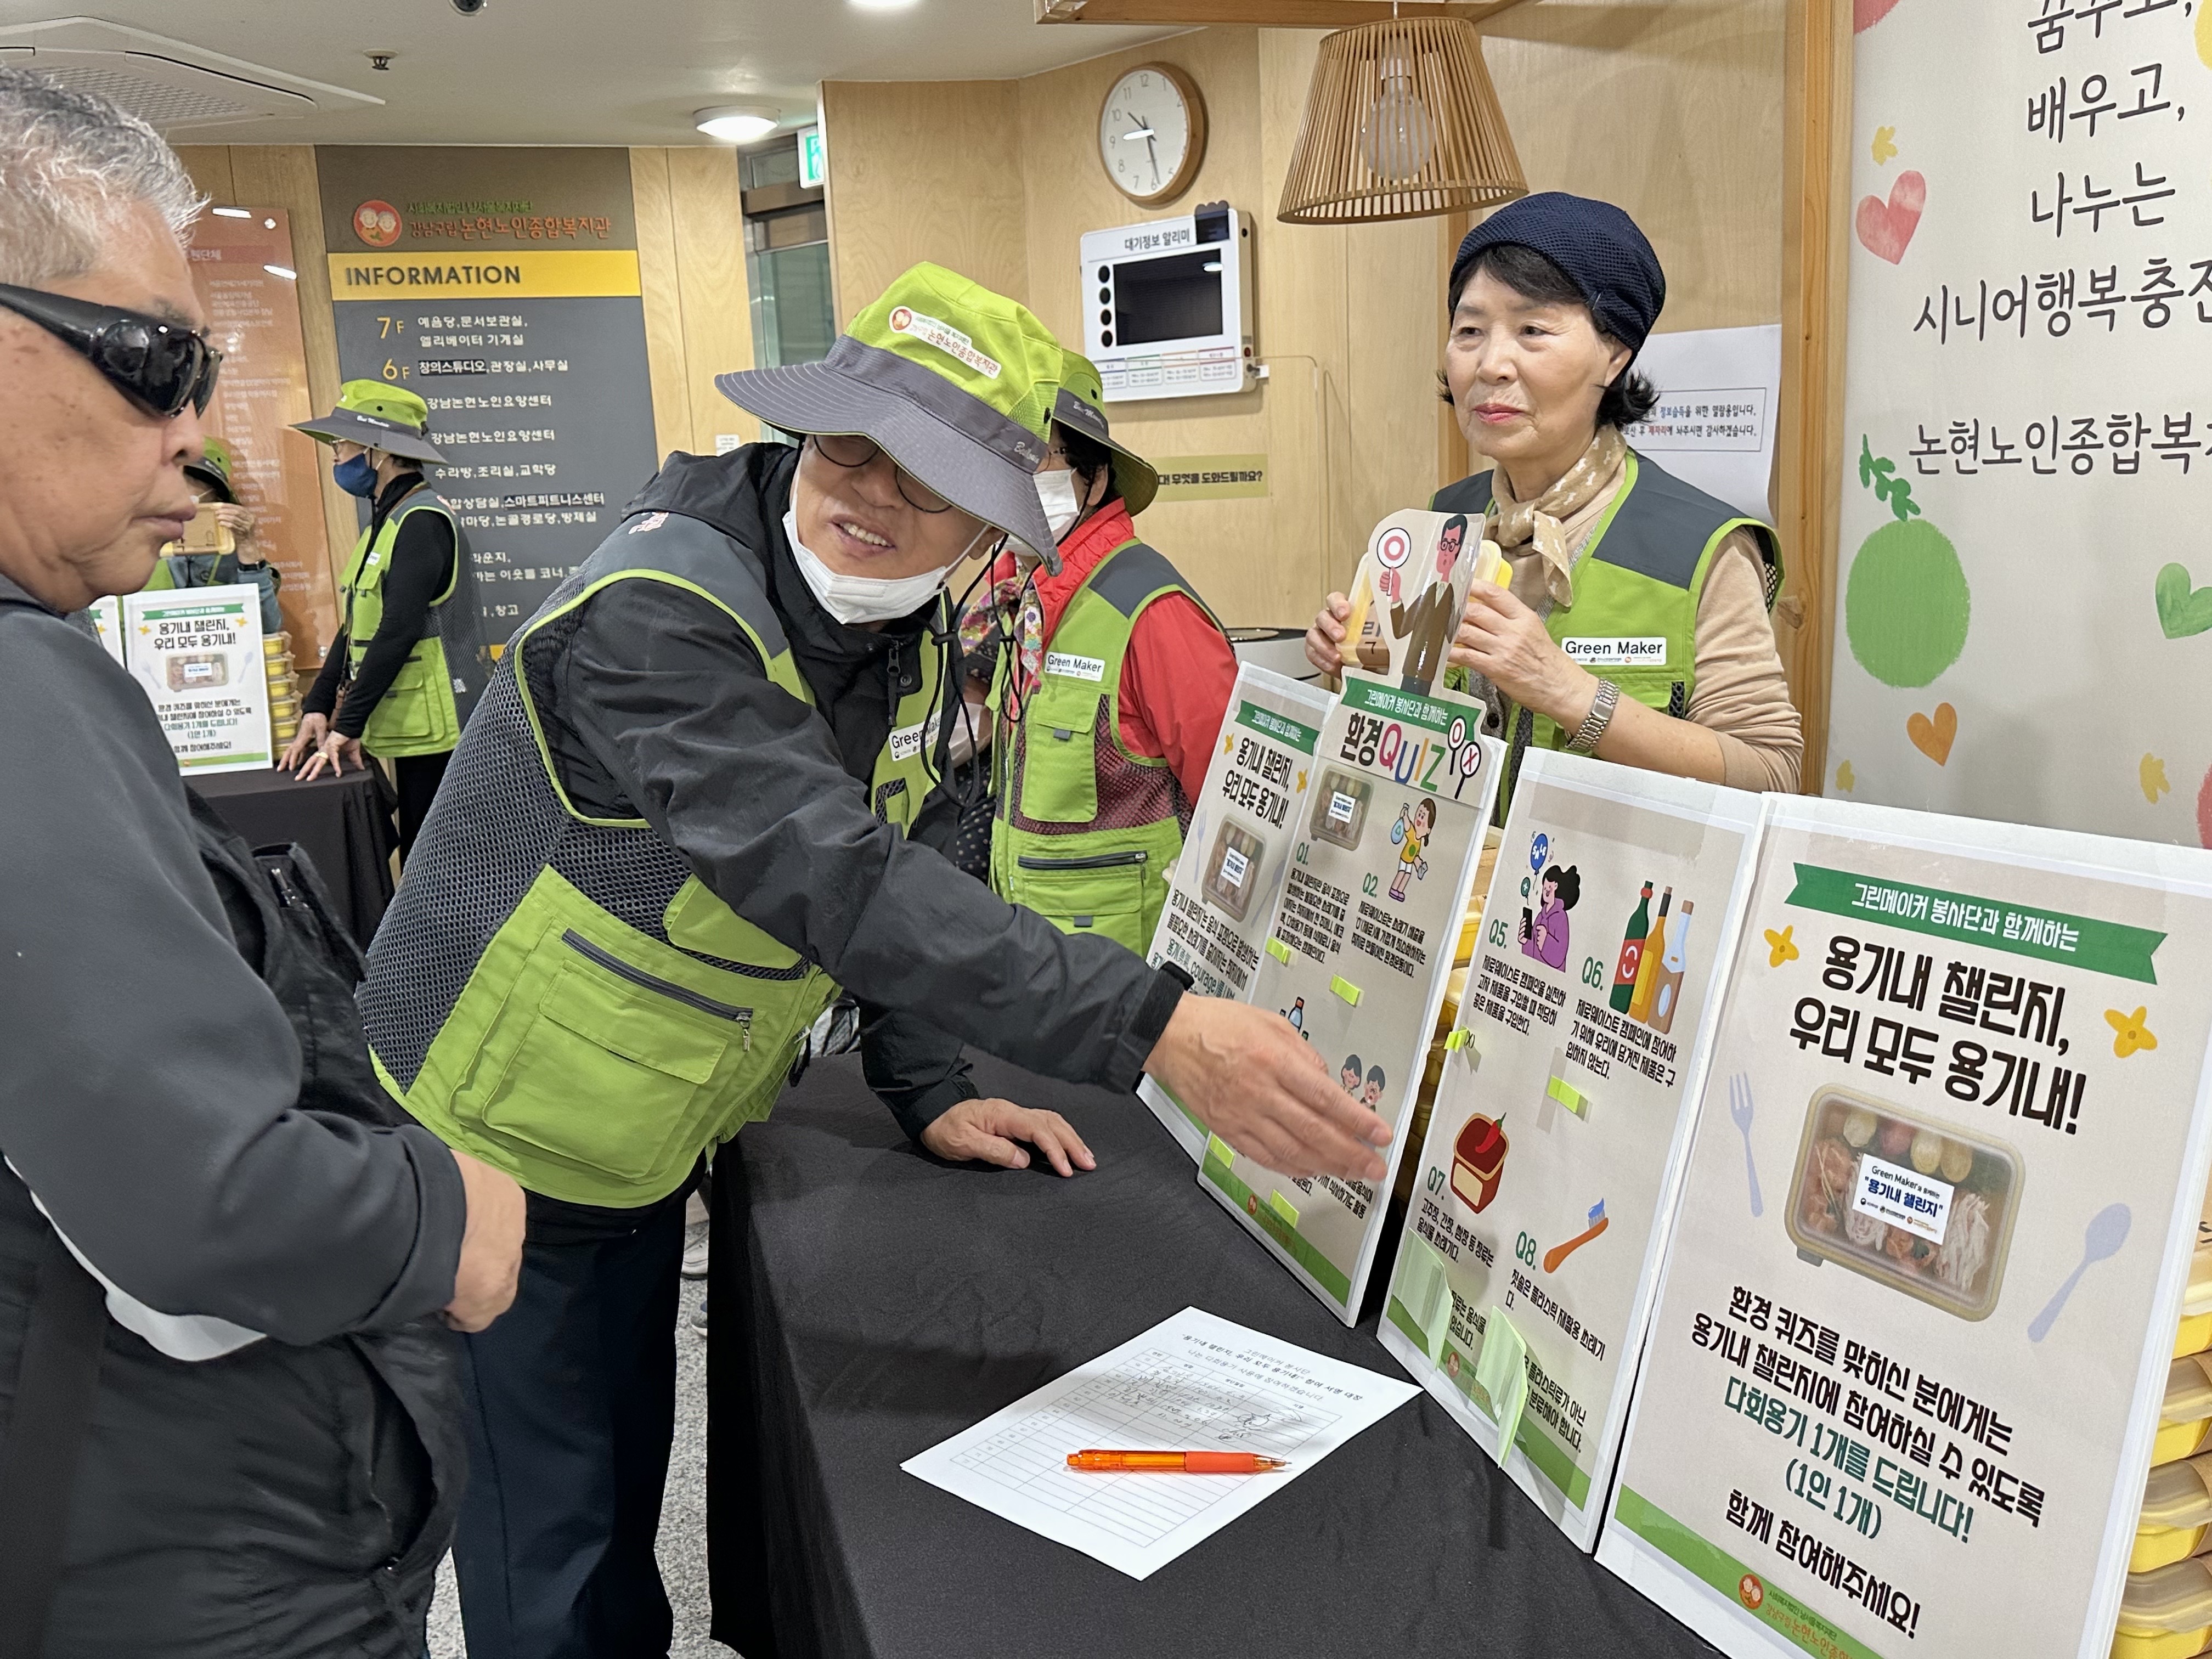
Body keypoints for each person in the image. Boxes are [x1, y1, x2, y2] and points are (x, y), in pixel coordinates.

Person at [357, 262, 1389, 1659]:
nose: (875, 496)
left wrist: (924, 1082)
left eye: (933, 479)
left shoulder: (915, 628)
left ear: (990, 523)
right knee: (549, 1553)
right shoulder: (659, 608)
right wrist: (1155, 1025)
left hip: (637, 1126)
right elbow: (835, 875)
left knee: (613, 1508)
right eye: (851, 445)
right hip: (495, 1127)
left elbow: (928, 825)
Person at [0, 67, 524, 1658]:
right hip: (180, 1549)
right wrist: (440, 1212)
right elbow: (200, 1195)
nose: (197, 434)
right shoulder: (23, 687)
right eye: (155, 362)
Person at [1309, 192, 1801, 802]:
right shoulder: (1441, 522)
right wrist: (1358, 666)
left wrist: (1570, 693)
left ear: (1615, 355)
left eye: (1533, 331)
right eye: (1469, 331)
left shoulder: (1698, 546)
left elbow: (1770, 772)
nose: (1492, 364)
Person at [960, 349, 1238, 950]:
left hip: (1128, 970)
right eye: (999, 455)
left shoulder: (1151, 612)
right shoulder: (1015, 599)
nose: (1010, 479)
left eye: (1034, 456)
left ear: (1097, 480)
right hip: (1034, 956)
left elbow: (1233, 800)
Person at [283, 381, 484, 852]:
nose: (335, 455)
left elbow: (397, 631)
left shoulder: (420, 521)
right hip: (412, 719)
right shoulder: (388, 519)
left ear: (378, 451)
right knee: (417, 849)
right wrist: (318, 705)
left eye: (342, 443)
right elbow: (358, 626)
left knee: (435, 856)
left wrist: (347, 725)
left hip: (442, 726)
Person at [142, 433, 284, 633]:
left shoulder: (232, 553)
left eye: (193, 496)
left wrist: (248, 547)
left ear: (218, 499)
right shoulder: (135, 550)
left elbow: (267, 627)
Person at [1388, 513, 1465, 692]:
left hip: (1433, 677)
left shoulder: (1456, 597)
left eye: (1452, 546)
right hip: (1408, 670)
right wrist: (1396, 595)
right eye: (1444, 545)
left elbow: (1453, 637)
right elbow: (1401, 629)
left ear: (1460, 551)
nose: (1445, 553)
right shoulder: (1429, 591)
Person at [1521, 861, 1579, 970]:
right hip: (1533, 973)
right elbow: (1530, 953)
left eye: (1549, 887)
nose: (1546, 891)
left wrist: (1545, 941)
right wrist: (1526, 941)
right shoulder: (1540, 916)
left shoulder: (1561, 917)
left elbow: (1560, 956)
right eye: (1544, 888)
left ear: (1556, 886)